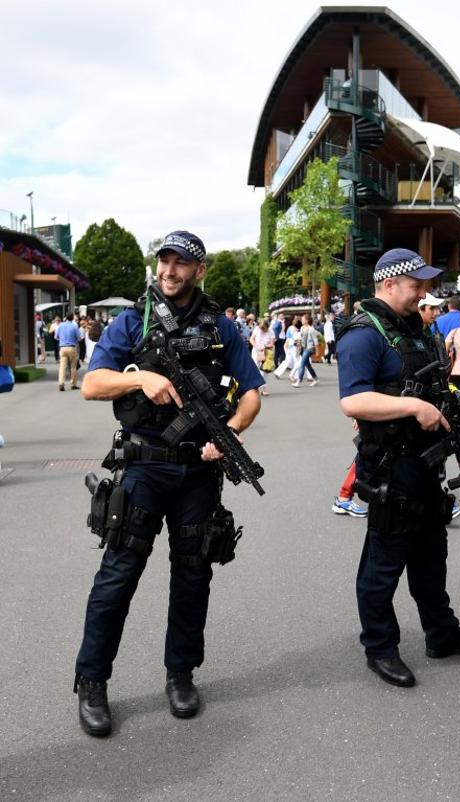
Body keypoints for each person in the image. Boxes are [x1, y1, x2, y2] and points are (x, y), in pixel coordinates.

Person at [73, 230, 263, 738]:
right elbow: (93, 383)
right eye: (164, 261)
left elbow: (251, 393)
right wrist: (140, 378)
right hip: (143, 467)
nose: (169, 271)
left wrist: (230, 433)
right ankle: (92, 681)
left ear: (200, 270)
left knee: (194, 575)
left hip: (198, 471)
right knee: (118, 576)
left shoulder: (221, 326)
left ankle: (181, 674)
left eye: (181, 263)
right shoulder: (132, 320)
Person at [336, 248, 460, 689]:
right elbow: (353, 400)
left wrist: (449, 401)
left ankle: (441, 632)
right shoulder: (364, 334)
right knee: (383, 564)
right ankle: (380, 647)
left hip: (426, 463)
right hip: (391, 466)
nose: (424, 293)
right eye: (416, 284)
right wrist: (414, 406)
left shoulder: (418, 330)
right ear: (388, 284)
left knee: (431, 554)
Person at [55, 312, 82, 391]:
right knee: (73, 367)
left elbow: (56, 337)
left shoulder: (60, 325)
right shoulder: (74, 326)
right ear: (72, 318)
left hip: (63, 348)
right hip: (72, 347)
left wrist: (62, 339)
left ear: (66, 318)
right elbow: (79, 338)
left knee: (62, 366)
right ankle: (73, 384)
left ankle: (61, 383)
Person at [249, 318, 275, 396]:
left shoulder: (271, 331)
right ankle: (255, 387)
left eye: (264, 328)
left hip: (266, 352)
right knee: (255, 369)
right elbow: (251, 339)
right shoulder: (257, 329)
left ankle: (264, 388)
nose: (263, 330)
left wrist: (265, 346)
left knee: (265, 370)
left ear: (267, 326)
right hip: (256, 351)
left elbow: (272, 344)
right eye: (261, 328)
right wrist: (256, 346)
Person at [292, 314, 319, 387]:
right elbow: (301, 337)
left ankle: (298, 381)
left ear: (307, 320)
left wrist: (317, 351)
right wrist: (297, 341)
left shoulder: (311, 329)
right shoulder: (302, 328)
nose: (301, 320)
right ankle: (316, 379)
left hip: (309, 348)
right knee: (308, 365)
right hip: (303, 348)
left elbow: (315, 341)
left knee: (302, 364)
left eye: (303, 319)